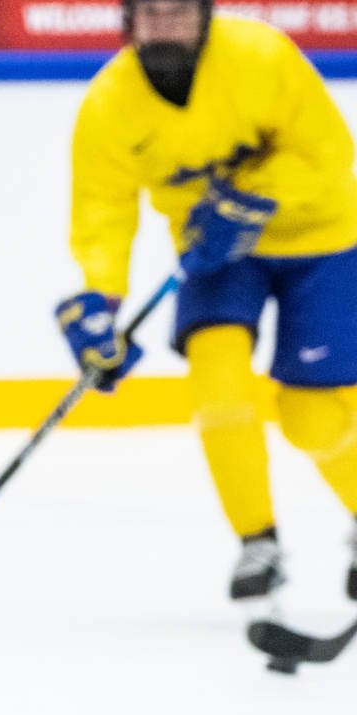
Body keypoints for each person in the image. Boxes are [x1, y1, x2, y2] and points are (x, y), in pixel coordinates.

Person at [58, 0, 357, 604]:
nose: (165, 26)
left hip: (322, 238)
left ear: (204, 17)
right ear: (129, 22)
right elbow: (103, 211)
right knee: (217, 383)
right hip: (217, 253)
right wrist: (100, 299)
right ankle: (257, 541)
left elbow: (330, 153)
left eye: (178, 14)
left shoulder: (261, 57)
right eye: (152, 15)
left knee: (311, 414)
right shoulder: (109, 104)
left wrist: (253, 197)